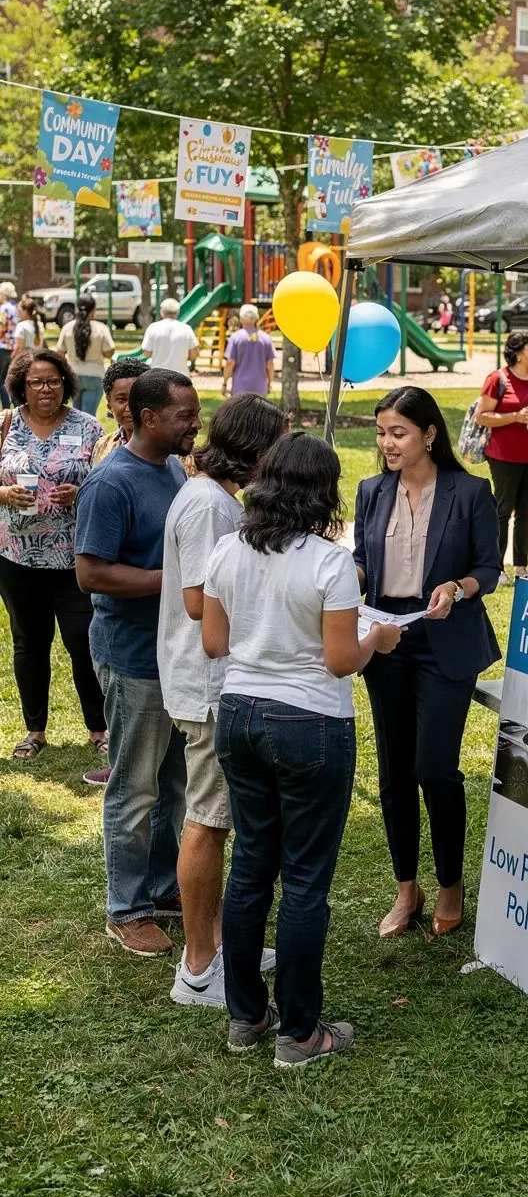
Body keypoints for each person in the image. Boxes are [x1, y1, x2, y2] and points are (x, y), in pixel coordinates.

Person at [203, 433, 402, 1061]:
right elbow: (342, 660)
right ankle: (299, 1032)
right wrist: (379, 639)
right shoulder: (329, 561)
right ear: (324, 492)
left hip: (237, 713)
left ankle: (245, 1016)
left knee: (250, 867)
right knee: (306, 880)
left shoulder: (228, 548)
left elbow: (214, 642)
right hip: (310, 720)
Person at [354, 386, 501, 940]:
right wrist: (350, 581)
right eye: (382, 433)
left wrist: (457, 589)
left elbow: (489, 569)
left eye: (399, 433)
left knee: (434, 768)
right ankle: (405, 890)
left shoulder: (469, 492)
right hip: (385, 638)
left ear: (429, 435)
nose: (387, 444)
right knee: (393, 770)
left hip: (445, 641)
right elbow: (364, 562)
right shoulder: (372, 491)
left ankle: (449, 886)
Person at [158, 394, 286, 1008]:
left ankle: (214, 941)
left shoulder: (208, 494)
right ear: (254, 449)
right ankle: (201, 967)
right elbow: (196, 601)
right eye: (276, 446)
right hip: (208, 685)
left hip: (203, 680)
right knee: (207, 822)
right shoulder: (210, 504)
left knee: (214, 818)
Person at [75, 370, 202, 958]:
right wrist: (172, 582)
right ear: (149, 418)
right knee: (133, 788)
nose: (194, 423)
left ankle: (160, 887)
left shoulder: (174, 468)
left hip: (175, 653)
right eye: (184, 414)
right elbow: (91, 573)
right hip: (132, 658)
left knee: (172, 782)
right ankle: (126, 909)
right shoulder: (110, 482)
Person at [0, 348, 106, 759]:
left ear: (66, 383)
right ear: (21, 386)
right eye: (36, 382)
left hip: (74, 557)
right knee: (29, 642)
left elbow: (107, 485)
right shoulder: (6, 425)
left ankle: (99, 730)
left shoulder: (89, 427)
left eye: (54, 381)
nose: (46, 389)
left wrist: (81, 494)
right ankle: (35, 730)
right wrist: (5, 493)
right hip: (16, 555)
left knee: (83, 640)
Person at [475, 329, 528, 584]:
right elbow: (482, 416)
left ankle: (521, 567)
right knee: (503, 511)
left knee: (525, 512)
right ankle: (496, 569)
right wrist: (515, 416)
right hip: (504, 456)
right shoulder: (497, 379)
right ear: (518, 354)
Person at [56, 293, 116, 415]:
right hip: (94, 374)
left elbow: (60, 353)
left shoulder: (67, 327)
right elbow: (109, 352)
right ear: (93, 309)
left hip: (73, 374)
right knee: (89, 416)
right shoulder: (101, 328)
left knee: (76, 415)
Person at [90, 357, 148, 468]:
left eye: (137, 398)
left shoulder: (169, 450)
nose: (130, 408)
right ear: (109, 404)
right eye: (122, 399)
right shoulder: (102, 446)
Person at [221, 304, 275, 398]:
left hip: (240, 387)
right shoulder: (266, 338)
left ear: (241, 319)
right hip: (260, 387)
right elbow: (270, 365)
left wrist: (225, 383)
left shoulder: (236, 337)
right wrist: (269, 383)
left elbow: (230, 363)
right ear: (256, 318)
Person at [141, 298, 198, 374]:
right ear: (177, 312)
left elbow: (146, 353)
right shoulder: (186, 329)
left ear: (162, 312)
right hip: (181, 375)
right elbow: (194, 353)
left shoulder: (153, 328)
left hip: (157, 375)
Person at [0, 281, 19, 409]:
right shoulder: (16, 308)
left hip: (2, 346)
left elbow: (1, 329)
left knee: (0, 381)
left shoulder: (3, 309)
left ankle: (6, 409)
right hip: (12, 348)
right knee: (6, 379)